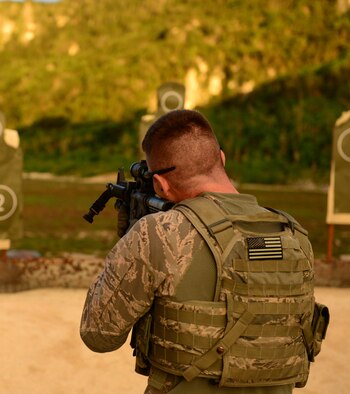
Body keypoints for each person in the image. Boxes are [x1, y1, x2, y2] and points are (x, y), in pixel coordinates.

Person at [80, 109, 320, 393]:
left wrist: (128, 245)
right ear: (222, 159)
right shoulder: (294, 235)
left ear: (160, 184)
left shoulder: (157, 233)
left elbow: (99, 335)